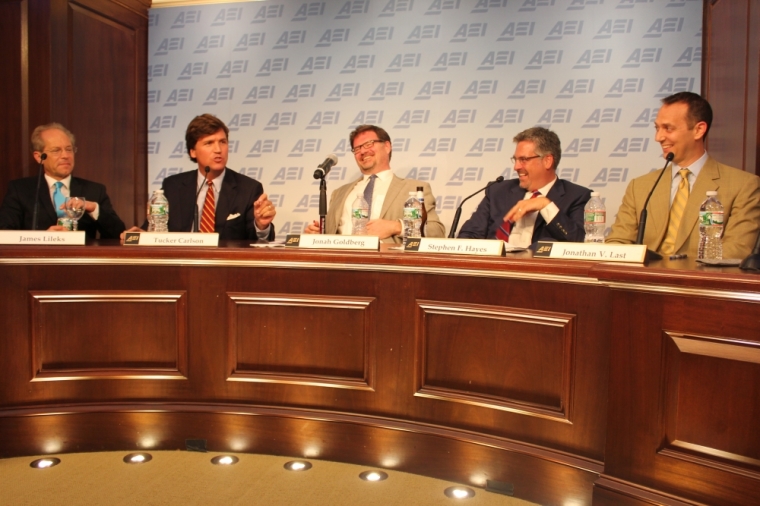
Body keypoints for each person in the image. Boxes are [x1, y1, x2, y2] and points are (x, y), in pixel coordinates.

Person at [606, 92, 760, 258]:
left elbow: (736, 251)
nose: (658, 137)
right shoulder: (640, 186)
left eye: (668, 128)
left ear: (698, 130)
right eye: (657, 128)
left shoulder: (743, 185)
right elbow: (618, 243)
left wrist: (670, 268)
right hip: (642, 281)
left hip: (699, 281)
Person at [124, 114, 276, 240]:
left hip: (226, 269)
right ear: (193, 152)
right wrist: (140, 235)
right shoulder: (173, 186)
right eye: (209, 143)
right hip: (180, 266)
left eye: (223, 142)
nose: (218, 150)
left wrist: (261, 226)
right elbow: (154, 228)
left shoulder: (248, 188)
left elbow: (259, 241)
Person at [304, 124, 445, 242]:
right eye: (357, 148)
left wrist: (397, 226)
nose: (363, 151)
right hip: (341, 266)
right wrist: (316, 235)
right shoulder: (339, 193)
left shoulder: (413, 188)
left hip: (388, 267)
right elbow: (330, 235)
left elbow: (436, 231)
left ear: (387, 146)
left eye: (368, 144)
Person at [457, 127, 591, 247]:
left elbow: (580, 242)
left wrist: (545, 205)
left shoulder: (578, 196)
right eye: (515, 160)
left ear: (547, 161)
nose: (516, 167)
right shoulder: (497, 191)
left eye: (524, 160)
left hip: (538, 271)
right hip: (494, 269)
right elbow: (468, 235)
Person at [0, 123, 126, 238]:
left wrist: (94, 209)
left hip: (81, 260)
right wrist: (42, 238)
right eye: (56, 151)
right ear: (39, 157)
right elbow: (4, 233)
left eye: (69, 149)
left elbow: (118, 234)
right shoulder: (20, 190)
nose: (65, 156)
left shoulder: (94, 190)